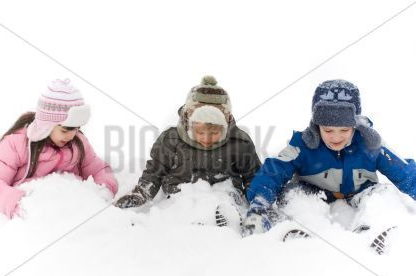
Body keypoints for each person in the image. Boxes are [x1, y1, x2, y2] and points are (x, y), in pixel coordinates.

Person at [244, 79, 416, 234]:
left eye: (344, 130)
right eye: (328, 130)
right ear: (317, 125)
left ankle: (373, 230)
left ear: (355, 125)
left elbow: (404, 172)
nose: (336, 137)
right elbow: (274, 170)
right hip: (314, 193)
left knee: (381, 194)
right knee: (294, 194)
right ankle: (300, 231)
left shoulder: (369, 143)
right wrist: (260, 201)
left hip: (360, 192)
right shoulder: (302, 144)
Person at [115, 76, 260, 226]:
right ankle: (178, 227)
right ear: (188, 123)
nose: (207, 139)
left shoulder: (239, 142)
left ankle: (231, 222)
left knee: (228, 200)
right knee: (178, 210)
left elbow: (253, 176)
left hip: (224, 194)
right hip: (181, 195)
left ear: (226, 124)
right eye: (200, 132)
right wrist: (141, 194)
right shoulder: (170, 140)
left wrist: (258, 201)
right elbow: (154, 173)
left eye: (214, 133)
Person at [0, 79, 118, 218]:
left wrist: (103, 191)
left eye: (77, 128)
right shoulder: (17, 143)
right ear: (48, 124)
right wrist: (18, 204)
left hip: (69, 209)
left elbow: (99, 169)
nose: (72, 135)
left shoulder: (77, 143)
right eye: (65, 130)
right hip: (31, 212)